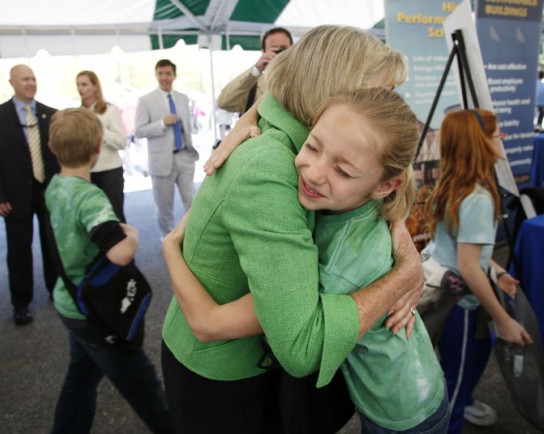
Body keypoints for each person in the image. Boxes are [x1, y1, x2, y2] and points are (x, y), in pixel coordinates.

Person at [160, 25, 424, 434]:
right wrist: (404, 274)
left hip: (245, 355)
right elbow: (302, 343)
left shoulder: (300, 141)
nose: (387, 105)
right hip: (222, 376)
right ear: (336, 86)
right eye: (382, 91)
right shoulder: (274, 166)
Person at [45, 108, 175, 434]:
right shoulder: (90, 197)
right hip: (93, 309)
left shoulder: (55, 187)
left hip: (69, 300)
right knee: (142, 384)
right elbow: (119, 253)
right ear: (97, 148)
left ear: (51, 148)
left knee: (81, 376)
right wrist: (131, 233)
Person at [425, 109, 533, 434]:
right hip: (463, 304)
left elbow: (471, 251)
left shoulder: (454, 185)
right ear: (479, 141)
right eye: (496, 133)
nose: (502, 138)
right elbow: (470, 267)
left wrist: (497, 271)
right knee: (454, 382)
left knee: (469, 363)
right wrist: (503, 319)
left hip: (458, 300)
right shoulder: (477, 198)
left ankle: (463, 404)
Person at [0, 64, 59, 325]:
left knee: (52, 244)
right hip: (14, 196)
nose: (30, 83)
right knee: (18, 249)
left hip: (47, 190)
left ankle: (56, 290)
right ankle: (21, 303)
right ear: (12, 82)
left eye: (33, 78)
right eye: (25, 79)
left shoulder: (51, 115)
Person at [134, 59, 199, 239]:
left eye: (168, 73)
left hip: (185, 156)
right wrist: (162, 123)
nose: (164, 77)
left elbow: (187, 126)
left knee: (192, 202)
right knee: (165, 207)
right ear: (156, 75)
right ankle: (167, 239)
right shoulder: (146, 100)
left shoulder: (182, 98)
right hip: (161, 161)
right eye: (161, 73)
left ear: (174, 76)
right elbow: (139, 131)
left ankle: (194, 237)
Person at [76, 70, 127, 222]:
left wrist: (99, 129)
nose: (80, 89)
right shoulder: (78, 114)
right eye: (78, 85)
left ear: (95, 86)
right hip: (87, 172)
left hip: (110, 171)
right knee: (94, 217)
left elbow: (121, 142)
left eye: (84, 84)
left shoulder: (110, 110)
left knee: (115, 215)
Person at [217, 27, 293, 114]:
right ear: (264, 51)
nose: (279, 53)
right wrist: (256, 70)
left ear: (293, 50)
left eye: (283, 49)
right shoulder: (251, 85)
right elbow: (224, 103)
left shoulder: (302, 80)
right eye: (274, 49)